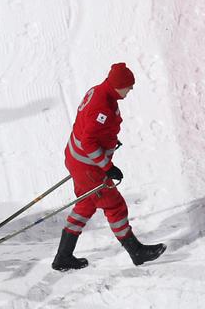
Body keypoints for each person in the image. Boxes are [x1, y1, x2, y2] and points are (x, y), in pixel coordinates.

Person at [52, 63, 167, 271]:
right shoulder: (102, 106)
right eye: (129, 86)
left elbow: (95, 131)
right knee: (115, 205)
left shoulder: (100, 91)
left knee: (86, 205)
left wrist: (109, 142)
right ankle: (136, 252)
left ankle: (63, 256)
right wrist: (107, 166)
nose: (130, 90)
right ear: (118, 85)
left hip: (76, 159)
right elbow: (88, 142)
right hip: (87, 165)